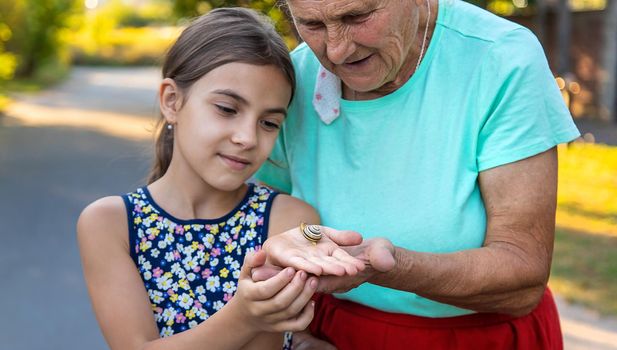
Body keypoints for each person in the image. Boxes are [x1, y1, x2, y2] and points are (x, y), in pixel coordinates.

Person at [254, 0, 581, 348]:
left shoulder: (499, 58)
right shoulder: (294, 76)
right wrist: (299, 335)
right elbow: (260, 223)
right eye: (313, 25)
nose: (335, 50)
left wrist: (390, 266)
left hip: (478, 339)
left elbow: (522, 280)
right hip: (333, 337)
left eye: (356, 16)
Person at [76, 8, 365, 350]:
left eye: (269, 123)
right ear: (172, 100)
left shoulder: (289, 221)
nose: (247, 137)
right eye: (227, 109)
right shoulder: (110, 224)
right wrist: (245, 317)